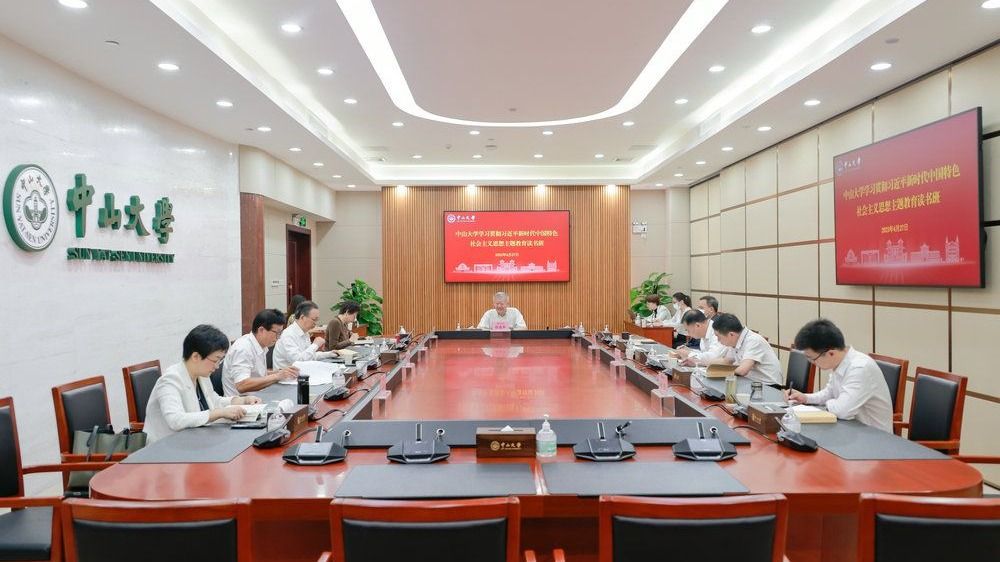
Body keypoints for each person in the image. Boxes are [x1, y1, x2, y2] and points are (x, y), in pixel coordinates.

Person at [144, 325, 261, 443]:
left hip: (195, 439)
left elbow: (214, 400)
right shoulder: (170, 380)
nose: (217, 366)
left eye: (220, 360)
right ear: (196, 356)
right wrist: (219, 413)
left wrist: (242, 400)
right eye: (215, 360)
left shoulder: (201, 374)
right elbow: (175, 420)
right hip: (167, 445)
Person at [786, 319, 893, 432]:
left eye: (813, 359)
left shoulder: (860, 368)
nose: (812, 363)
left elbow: (842, 411)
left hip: (874, 436)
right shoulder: (840, 362)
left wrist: (829, 403)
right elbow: (829, 393)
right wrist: (806, 398)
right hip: (850, 429)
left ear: (831, 353)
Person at [222, 309, 299, 396]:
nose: (278, 337)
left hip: (257, 396)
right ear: (261, 330)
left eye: (280, 333)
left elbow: (256, 373)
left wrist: (280, 372)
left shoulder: (260, 344)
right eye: (276, 333)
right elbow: (241, 385)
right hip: (242, 401)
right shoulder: (243, 348)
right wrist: (277, 376)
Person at [712, 313, 783, 385]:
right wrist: (708, 366)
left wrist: (718, 372)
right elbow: (726, 361)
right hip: (750, 381)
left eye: (719, 337)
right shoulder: (735, 340)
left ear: (731, 334)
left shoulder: (753, 340)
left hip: (768, 385)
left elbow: (742, 370)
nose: (718, 340)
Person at [273, 301, 339, 369]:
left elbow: (309, 356)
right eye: (314, 319)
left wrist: (328, 354)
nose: (315, 323)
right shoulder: (288, 335)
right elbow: (298, 361)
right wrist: (315, 344)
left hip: (301, 371)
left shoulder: (305, 332)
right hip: (287, 374)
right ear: (302, 317)